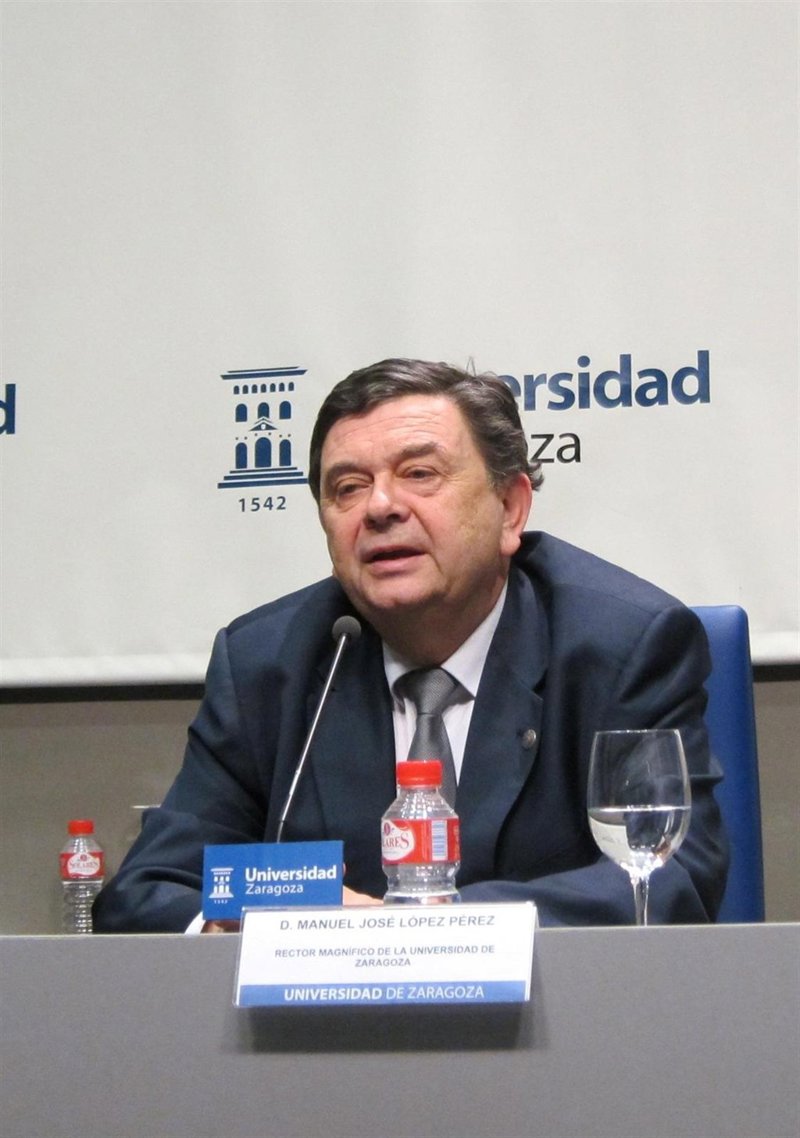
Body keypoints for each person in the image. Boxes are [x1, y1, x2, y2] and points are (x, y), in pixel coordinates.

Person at [94, 358, 728, 932]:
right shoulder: (269, 663)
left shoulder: (620, 646)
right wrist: (237, 925)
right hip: (320, 1021)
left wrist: (425, 930)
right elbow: (149, 891)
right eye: (347, 487)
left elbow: (672, 877)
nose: (379, 507)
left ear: (510, 508)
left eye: (420, 474)